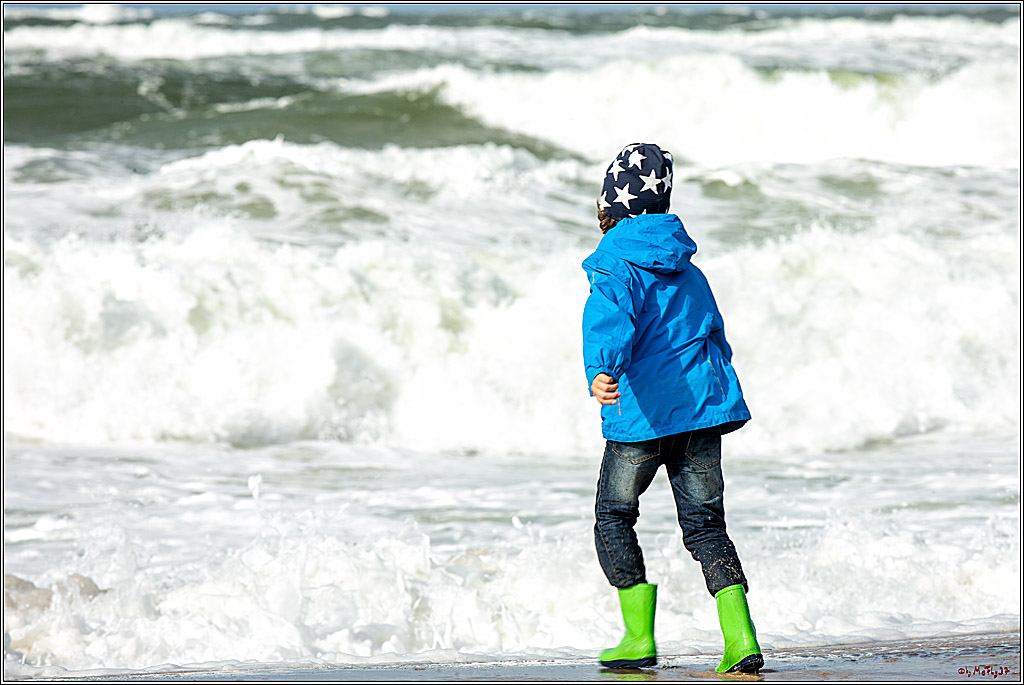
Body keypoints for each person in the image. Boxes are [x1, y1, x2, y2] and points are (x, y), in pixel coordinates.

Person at [581, 143, 763, 674]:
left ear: (612, 204)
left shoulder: (615, 261)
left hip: (640, 418)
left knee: (613, 515)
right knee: (706, 526)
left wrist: (602, 370)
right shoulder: (688, 268)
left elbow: (609, 319)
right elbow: (714, 336)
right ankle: (741, 638)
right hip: (701, 416)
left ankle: (638, 636)